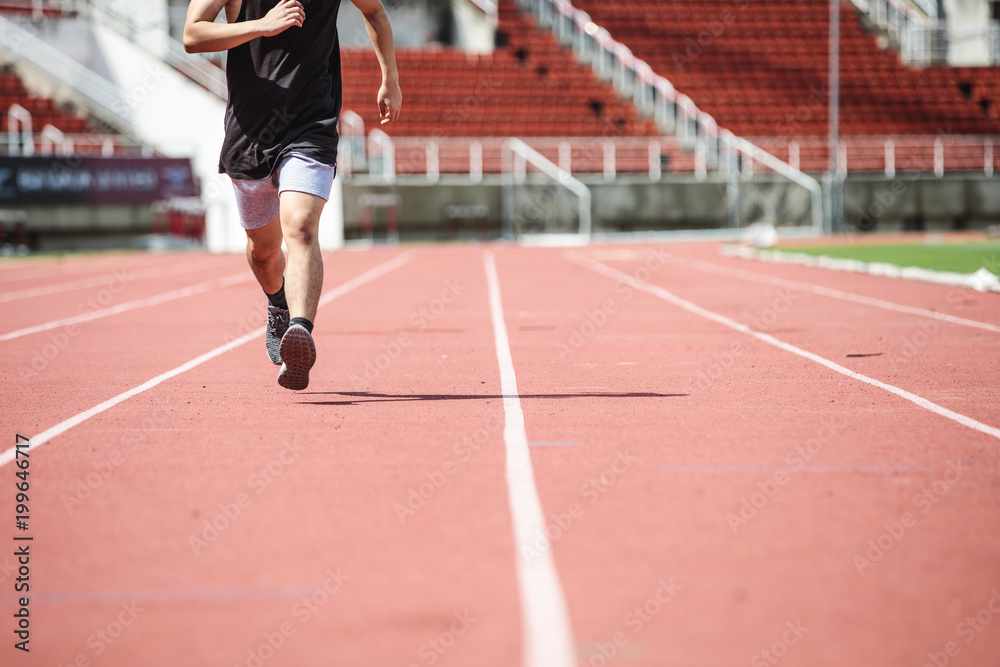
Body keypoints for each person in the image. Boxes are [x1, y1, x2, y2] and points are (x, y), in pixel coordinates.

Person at [183, 0, 401, 390]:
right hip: (250, 130)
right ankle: (278, 304)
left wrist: (390, 78)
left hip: (311, 122)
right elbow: (192, 35)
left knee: (301, 227)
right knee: (264, 253)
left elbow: (376, 13)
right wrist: (261, 25)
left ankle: (300, 331)